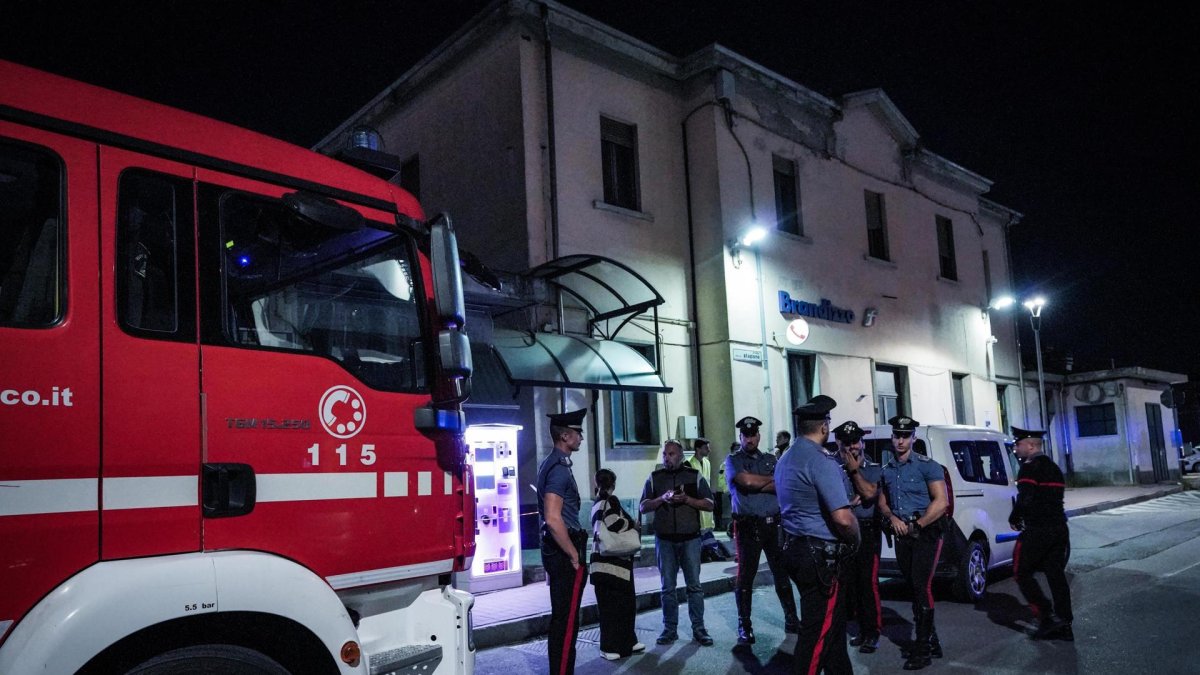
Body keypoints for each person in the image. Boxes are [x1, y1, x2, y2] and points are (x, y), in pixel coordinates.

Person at [775, 395, 860, 675]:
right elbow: (843, 518)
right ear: (824, 427)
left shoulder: (785, 459)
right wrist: (855, 539)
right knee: (818, 634)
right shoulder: (820, 461)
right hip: (819, 558)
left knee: (832, 630)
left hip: (793, 548)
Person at [876, 415, 949, 670]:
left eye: (905, 436)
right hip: (902, 534)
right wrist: (891, 517)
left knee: (921, 586)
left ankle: (922, 648)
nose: (900, 440)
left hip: (925, 532)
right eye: (896, 435)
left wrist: (918, 525)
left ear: (913, 438)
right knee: (913, 586)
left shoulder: (928, 466)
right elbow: (882, 500)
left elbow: (941, 501)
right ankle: (932, 640)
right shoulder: (887, 470)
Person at [725, 415, 799, 644]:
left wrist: (760, 482)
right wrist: (767, 482)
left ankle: (791, 618)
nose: (749, 438)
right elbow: (745, 483)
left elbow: (781, 484)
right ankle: (744, 625)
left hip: (773, 524)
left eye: (753, 434)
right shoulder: (733, 460)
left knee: (781, 573)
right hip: (748, 526)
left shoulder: (769, 458)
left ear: (758, 435)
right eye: (745, 435)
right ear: (741, 436)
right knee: (745, 577)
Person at [640, 439, 715, 647]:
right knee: (667, 588)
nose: (667, 458)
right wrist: (661, 499)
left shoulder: (693, 476)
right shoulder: (655, 478)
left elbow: (710, 504)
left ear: (681, 456)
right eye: (665, 454)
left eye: (671, 454)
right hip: (664, 540)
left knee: (694, 587)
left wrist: (688, 500)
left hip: (690, 538)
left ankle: (699, 629)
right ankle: (669, 629)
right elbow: (643, 506)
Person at [1008, 427, 1074, 641]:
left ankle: (1046, 616)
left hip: (1039, 529)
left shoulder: (1029, 468)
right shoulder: (1054, 468)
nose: (1016, 449)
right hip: (1059, 528)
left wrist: (1015, 517)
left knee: (1021, 571)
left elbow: (1025, 497)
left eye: (1018, 445)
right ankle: (1065, 623)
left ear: (1031, 446)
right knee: (1055, 574)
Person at [536, 409, 589, 675]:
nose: (581, 436)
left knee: (562, 619)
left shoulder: (552, 463)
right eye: (578, 432)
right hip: (564, 550)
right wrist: (573, 554)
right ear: (565, 435)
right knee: (567, 622)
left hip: (556, 549)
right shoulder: (559, 470)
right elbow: (553, 518)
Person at [831, 420, 884, 654]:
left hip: (866, 531)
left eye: (855, 442)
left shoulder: (873, 468)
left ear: (862, 442)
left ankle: (872, 632)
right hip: (841, 532)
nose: (851, 448)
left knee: (867, 584)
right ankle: (860, 630)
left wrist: (853, 471)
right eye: (846, 444)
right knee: (847, 585)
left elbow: (869, 493)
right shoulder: (831, 467)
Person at [590, 468, 647, 660]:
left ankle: (619, 644)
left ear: (596, 483)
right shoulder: (610, 501)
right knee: (622, 605)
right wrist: (633, 525)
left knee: (609, 608)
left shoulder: (595, 504)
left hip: (601, 563)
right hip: (616, 563)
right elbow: (615, 524)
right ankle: (616, 645)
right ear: (613, 484)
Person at [687, 438, 731, 562]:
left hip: (705, 500)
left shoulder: (707, 462)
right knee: (700, 528)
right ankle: (705, 552)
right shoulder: (689, 463)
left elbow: (707, 481)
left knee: (707, 527)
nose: (709, 450)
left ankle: (711, 551)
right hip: (696, 501)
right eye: (706, 448)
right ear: (698, 449)